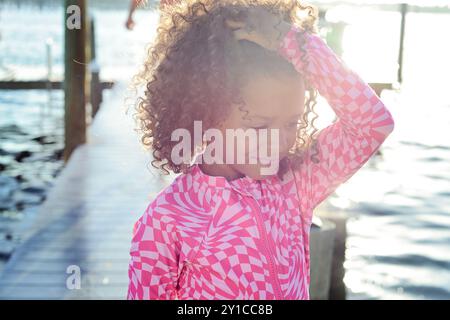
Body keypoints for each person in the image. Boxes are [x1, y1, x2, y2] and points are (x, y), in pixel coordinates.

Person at [127, 0, 395, 300]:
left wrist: (289, 40)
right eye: (259, 127)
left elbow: (372, 123)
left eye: (292, 123)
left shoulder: (297, 183)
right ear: (206, 116)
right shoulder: (168, 218)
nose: (279, 142)